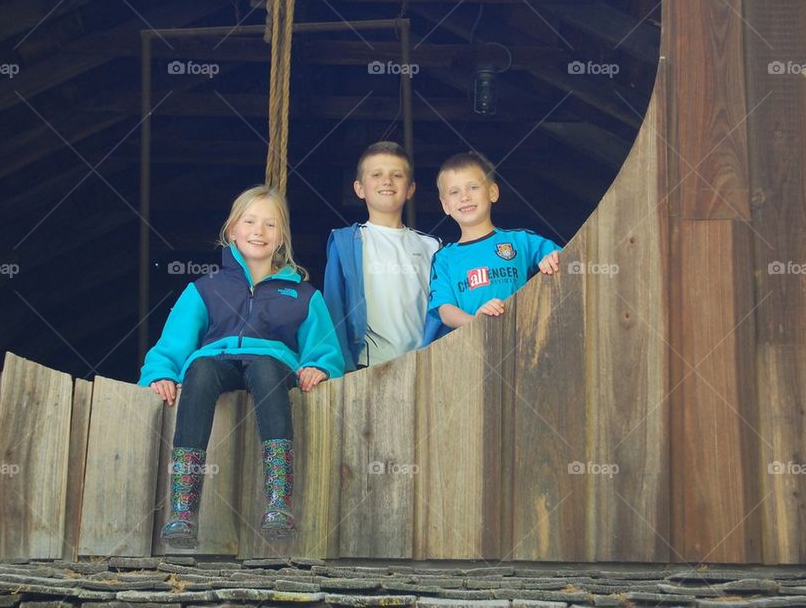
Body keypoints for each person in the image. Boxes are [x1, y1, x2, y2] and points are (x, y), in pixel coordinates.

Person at [138, 185, 344, 546]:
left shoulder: (303, 294)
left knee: (265, 365)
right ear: (232, 230)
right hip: (216, 362)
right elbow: (173, 343)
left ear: (281, 238)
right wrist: (162, 372)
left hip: (272, 366)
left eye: (270, 224)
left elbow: (324, 347)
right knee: (198, 369)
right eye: (249, 221)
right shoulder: (205, 288)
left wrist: (319, 366)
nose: (258, 231)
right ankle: (183, 511)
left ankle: (279, 501)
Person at [323, 141, 441, 371]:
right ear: (359, 188)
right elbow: (334, 308)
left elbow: (442, 308)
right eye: (376, 174)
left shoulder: (433, 246)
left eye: (397, 175)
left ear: (410, 189)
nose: (387, 181)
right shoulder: (346, 242)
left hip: (422, 364)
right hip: (366, 366)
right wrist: (342, 372)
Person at [426, 152, 561, 335]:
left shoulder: (520, 240)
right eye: (454, 192)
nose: (464, 197)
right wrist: (477, 323)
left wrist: (552, 259)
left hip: (522, 337)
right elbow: (445, 310)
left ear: (493, 193)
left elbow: (568, 258)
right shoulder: (444, 258)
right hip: (472, 345)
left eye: (473, 187)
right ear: (445, 205)